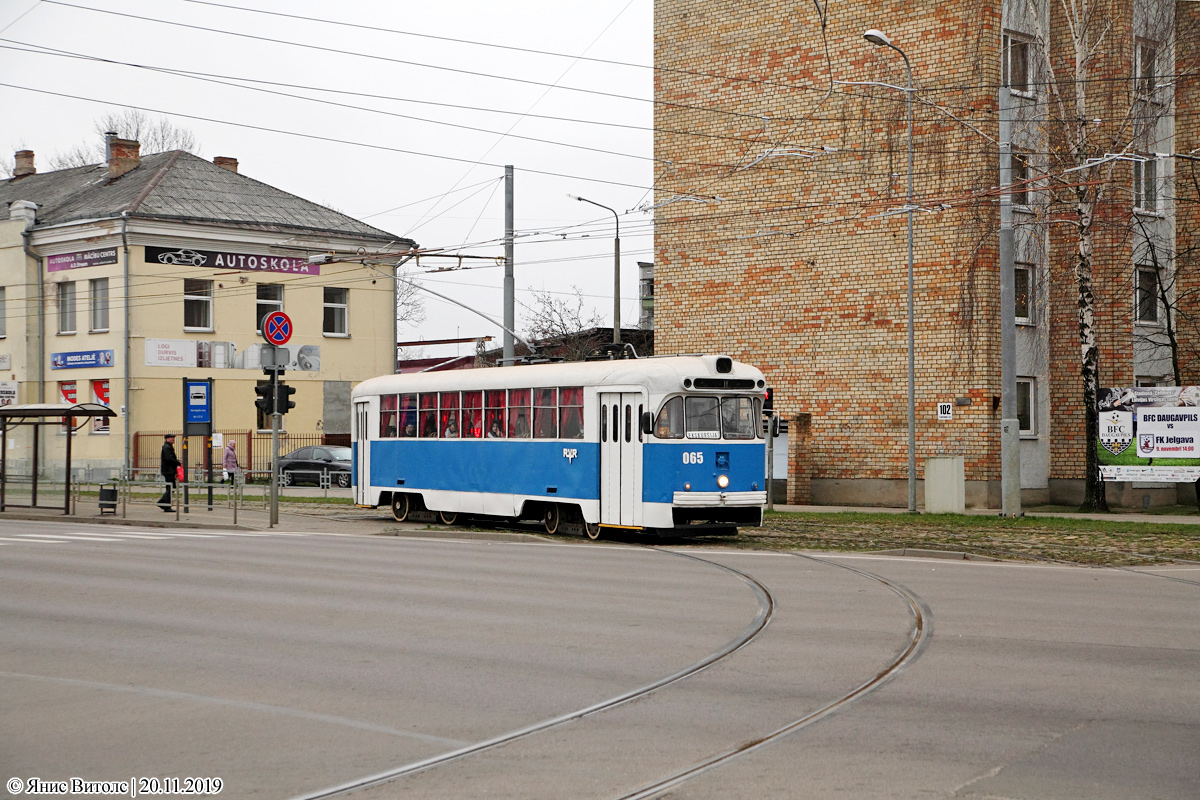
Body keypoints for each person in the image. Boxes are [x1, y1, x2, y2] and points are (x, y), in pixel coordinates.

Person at [159, 433, 181, 511]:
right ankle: (163, 502)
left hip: (169, 470)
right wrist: (177, 462)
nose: (173, 439)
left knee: (170, 487)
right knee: (172, 487)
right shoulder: (167, 447)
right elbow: (169, 459)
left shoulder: (168, 446)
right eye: (171, 438)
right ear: (166, 439)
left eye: (173, 438)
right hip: (168, 470)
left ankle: (165, 505)